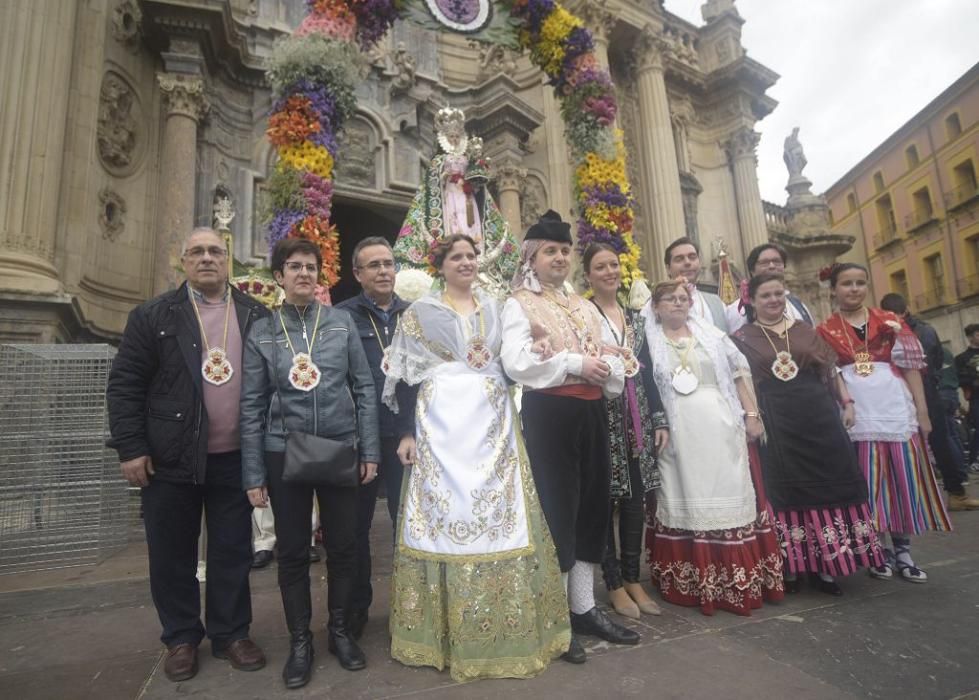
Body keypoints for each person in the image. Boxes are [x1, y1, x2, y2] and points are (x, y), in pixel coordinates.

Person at [384, 234, 570, 681]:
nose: (465, 262)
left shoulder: (500, 307)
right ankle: (444, 636)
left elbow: (517, 357)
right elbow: (404, 378)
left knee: (503, 519)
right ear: (440, 266)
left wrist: (540, 346)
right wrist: (406, 432)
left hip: (494, 426)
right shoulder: (419, 314)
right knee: (442, 522)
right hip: (440, 428)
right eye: (456, 257)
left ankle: (510, 628)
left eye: (470, 255)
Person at [106, 227, 268, 682]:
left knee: (233, 550)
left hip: (234, 459)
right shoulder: (154, 315)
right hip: (170, 458)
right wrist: (131, 447)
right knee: (171, 552)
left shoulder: (256, 314)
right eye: (196, 252)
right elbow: (125, 386)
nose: (207, 258)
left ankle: (232, 633)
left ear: (228, 260)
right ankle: (180, 637)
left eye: (215, 251)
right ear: (183, 262)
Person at [240, 237, 380, 688]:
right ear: (278, 277)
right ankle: (301, 641)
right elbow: (252, 405)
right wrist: (253, 474)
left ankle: (338, 631)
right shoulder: (262, 331)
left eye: (311, 267)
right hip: (284, 451)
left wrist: (371, 451)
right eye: (294, 267)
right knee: (294, 551)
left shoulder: (339, 324)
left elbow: (363, 391)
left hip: (340, 448)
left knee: (343, 547)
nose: (304, 273)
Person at [501, 211, 638, 664]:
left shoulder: (581, 305)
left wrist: (606, 367)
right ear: (532, 258)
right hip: (551, 413)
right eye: (549, 251)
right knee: (559, 510)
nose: (559, 258)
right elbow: (516, 363)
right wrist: (576, 363)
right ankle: (557, 614)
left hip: (591, 410)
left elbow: (603, 353)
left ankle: (583, 607)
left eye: (564, 251)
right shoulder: (518, 303)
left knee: (593, 509)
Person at [732, 274, 884, 595]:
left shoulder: (805, 331)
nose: (773, 300)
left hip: (818, 414)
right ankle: (792, 566)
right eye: (765, 296)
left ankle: (828, 567)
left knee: (830, 483)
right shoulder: (741, 338)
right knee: (786, 490)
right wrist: (751, 418)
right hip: (777, 418)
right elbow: (740, 382)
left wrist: (847, 402)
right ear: (752, 301)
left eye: (778, 294)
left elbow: (829, 370)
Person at [644, 278, 783, 615]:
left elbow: (738, 374)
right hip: (678, 434)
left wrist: (751, 414)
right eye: (670, 299)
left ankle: (734, 581)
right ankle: (691, 582)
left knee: (728, 491)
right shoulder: (646, 341)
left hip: (720, 426)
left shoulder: (713, 336)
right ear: (656, 307)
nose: (678, 303)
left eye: (683, 298)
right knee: (685, 498)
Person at [817, 263, 951, 584]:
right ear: (834, 289)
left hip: (895, 410)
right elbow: (828, 376)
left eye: (860, 283)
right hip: (856, 413)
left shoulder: (891, 322)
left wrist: (922, 412)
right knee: (868, 482)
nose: (854, 289)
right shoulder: (825, 330)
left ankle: (903, 548)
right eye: (847, 283)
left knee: (901, 478)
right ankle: (875, 548)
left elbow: (911, 369)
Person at [582, 243, 669, 619]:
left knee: (636, 497)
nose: (609, 272)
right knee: (605, 498)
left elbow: (647, 369)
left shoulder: (635, 318)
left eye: (613, 265)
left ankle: (634, 577)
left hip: (638, 413)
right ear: (588, 274)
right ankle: (613, 582)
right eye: (600, 267)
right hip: (601, 412)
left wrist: (659, 419)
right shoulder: (584, 313)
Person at [335, 236, 414, 639]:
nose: (384, 271)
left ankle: (413, 606)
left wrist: (411, 431)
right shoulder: (340, 317)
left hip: (406, 442)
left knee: (410, 525)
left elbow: (424, 380)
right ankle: (355, 609)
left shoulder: (415, 315)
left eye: (388, 263)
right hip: (360, 440)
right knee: (354, 528)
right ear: (358, 274)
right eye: (374, 265)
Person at [880, 293, 979, 511]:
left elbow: (928, 364)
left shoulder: (921, 331)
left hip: (923, 391)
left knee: (940, 442)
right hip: (903, 392)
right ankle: (927, 496)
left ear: (903, 312)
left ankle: (955, 493)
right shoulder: (904, 330)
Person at [644, 237, 728, 332]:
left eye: (692, 257)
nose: (687, 262)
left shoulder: (717, 302)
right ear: (668, 269)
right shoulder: (654, 303)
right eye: (679, 259)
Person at [725, 243, 814, 332]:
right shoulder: (739, 310)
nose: (772, 266)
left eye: (777, 262)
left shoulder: (797, 305)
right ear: (752, 271)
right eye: (764, 263)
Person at [955, 323, 979, 470]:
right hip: (976, 397)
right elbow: (959, 379)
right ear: (970, 338)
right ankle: (973, 459)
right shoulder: (962, 358)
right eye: (977, 334)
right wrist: (974, 380)